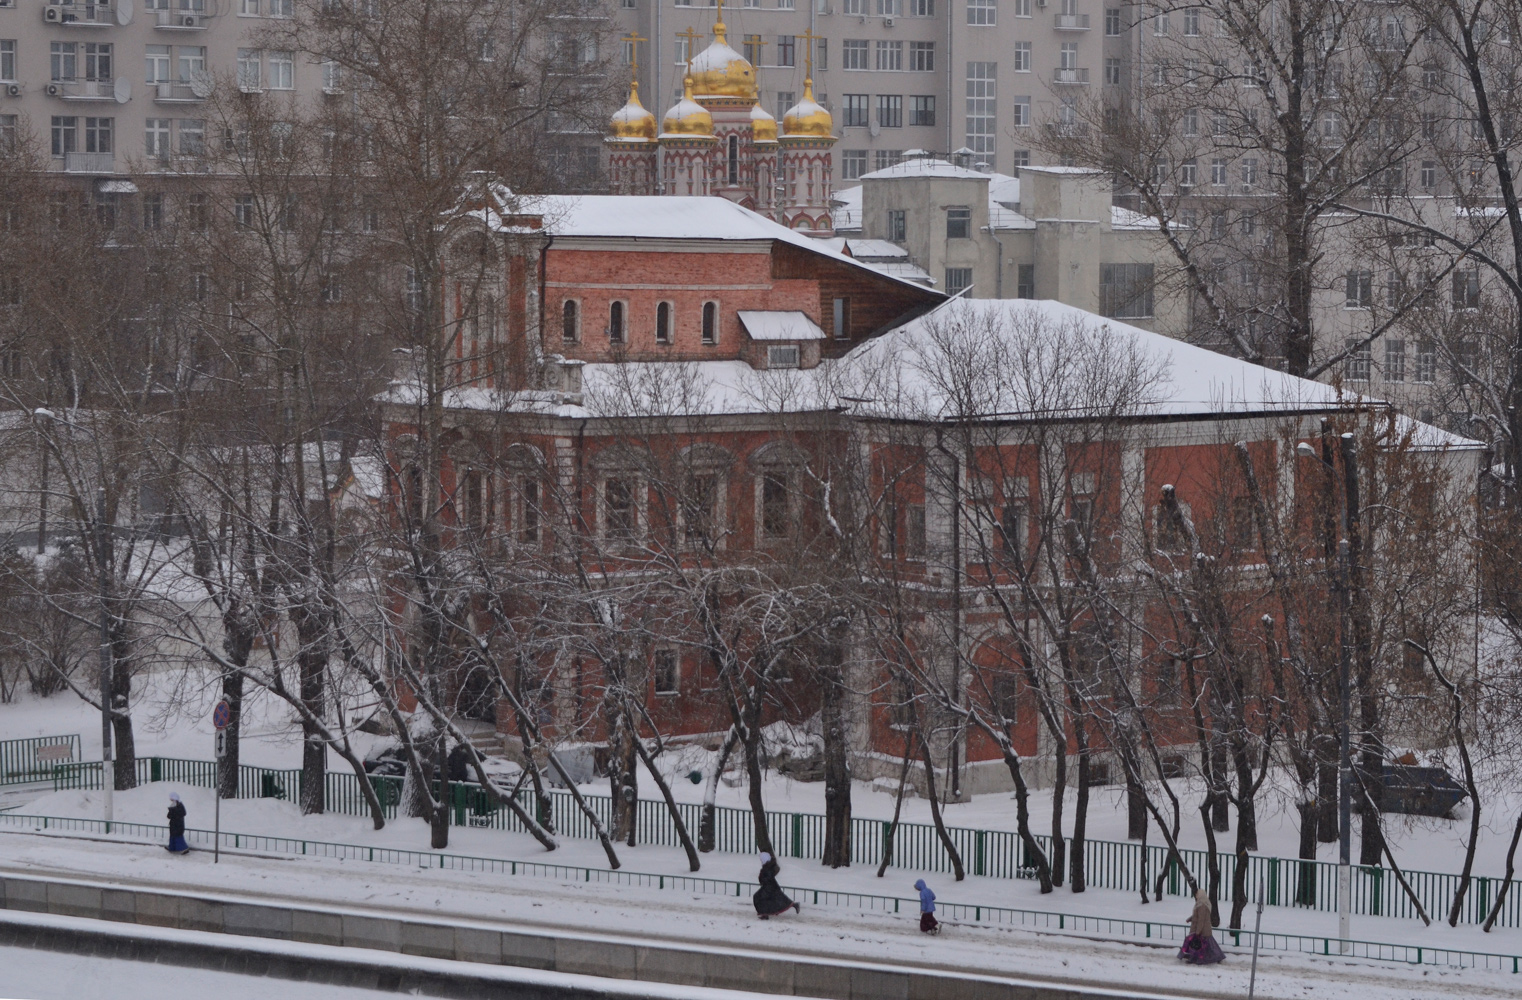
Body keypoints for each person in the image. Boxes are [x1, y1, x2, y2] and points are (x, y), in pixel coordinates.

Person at [1178, 888, 1224, 964]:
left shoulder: (1202, 905)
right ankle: (1214, 957)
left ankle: (1195, 958)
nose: (1196, 895)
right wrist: (1191, 918)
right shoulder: (1201, 904)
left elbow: (1201, 919)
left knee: (1199, 945)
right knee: (1205, 945)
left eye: (1197, 894)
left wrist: (1198, 931)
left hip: (1202, 930)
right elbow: (1197, 915)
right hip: (1203, 929)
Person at [752, 852, 800, 919]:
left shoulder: (768, 867)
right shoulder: (767, 866)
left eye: (761, 859)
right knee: (778, 898)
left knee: (759, 898)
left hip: (769, 887)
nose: (760, 860)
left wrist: (762, 878)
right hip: (769, 887)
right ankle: (765, 914)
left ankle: (765, 914)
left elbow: (767, 877)